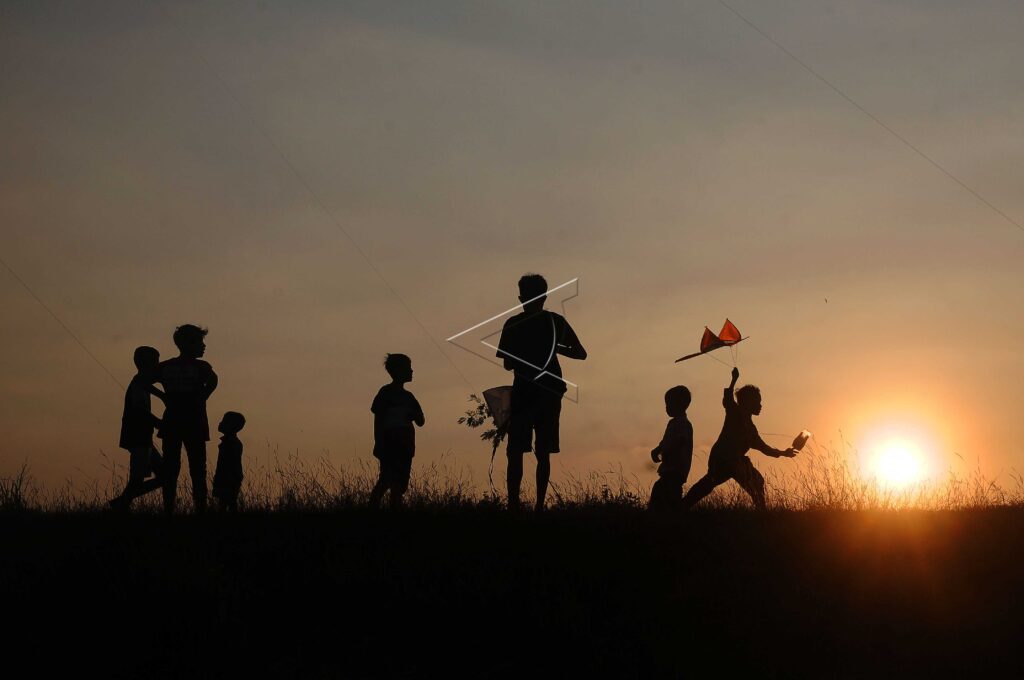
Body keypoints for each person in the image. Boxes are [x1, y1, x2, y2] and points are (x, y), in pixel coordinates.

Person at [496, 273, 587, 512]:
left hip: (525, 391)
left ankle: (514, 505)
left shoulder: (512, 324)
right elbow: (580, 353)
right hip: (549, 391)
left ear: (520, 297)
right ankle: (538, 505)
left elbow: (507, 364)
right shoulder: (555, 321)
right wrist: (554, 347)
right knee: (543, 451)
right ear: (544, 296)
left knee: (515, 450)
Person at [681, 367, 796, 510]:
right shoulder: (734, 412)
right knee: (709, 484)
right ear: (748, 402)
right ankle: (682, 506)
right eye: (757, 402)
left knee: (753, 482)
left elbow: (764, 448)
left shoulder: (751, 430)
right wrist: (734, 379)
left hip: (734, 461)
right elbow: (728, 399)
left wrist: (784, 453)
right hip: (723, 458)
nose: (760, 405)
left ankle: (762, 511)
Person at [155, 324, 218, 514]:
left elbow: (142, 380)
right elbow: (214, 381)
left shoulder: (166, 367)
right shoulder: (201, 367)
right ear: (188, 344)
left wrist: (163, 396)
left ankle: (170, 509)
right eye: (200, 342)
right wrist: (203, 395)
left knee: (171, 468)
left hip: (173, 421)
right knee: (197, 468)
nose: (203, 346)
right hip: (193, 422)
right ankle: (200, 508)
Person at [108, 346, 165, 512]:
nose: (158, 365)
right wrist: (159, 423)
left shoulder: (141, 383)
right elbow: (141, 412)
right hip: (138, 436)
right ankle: (121, 504)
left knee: (163, 475)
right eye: (155, 361)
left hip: (142, 436)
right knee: (139, 477)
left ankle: (121, 503)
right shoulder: (139, 384)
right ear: (146, 363)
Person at [369, 354, 425, 509]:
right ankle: (371, 509)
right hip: (389, 444)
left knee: (400, 484)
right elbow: (378, 420)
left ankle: (395, 510)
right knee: (386, 479)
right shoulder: (385, 393)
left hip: (405, 446)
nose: (412, 371)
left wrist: (413, 415)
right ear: (397, 371)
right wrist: (378, 443)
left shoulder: (409, 397)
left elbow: (421, 421)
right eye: (408, 368)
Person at [647, 386, 693, 512]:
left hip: (675, 471)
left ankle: (664, 522)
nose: (666, 407)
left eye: (669, 404)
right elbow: (666, 443)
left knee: (663, 496)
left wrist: (664, 453)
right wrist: (657, 450)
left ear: (679, 405)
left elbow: (680, 441)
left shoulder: (682, 423)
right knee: (664, 495)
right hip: (670, 471)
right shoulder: (674, 423)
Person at [212, 411, 246, 512]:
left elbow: (226, 465)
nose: (220, 423)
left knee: (226, 503)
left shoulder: (230, 443)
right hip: (231, 478)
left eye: (224, 421)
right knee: (228, 502)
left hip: (229, 478)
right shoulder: (232, 442)